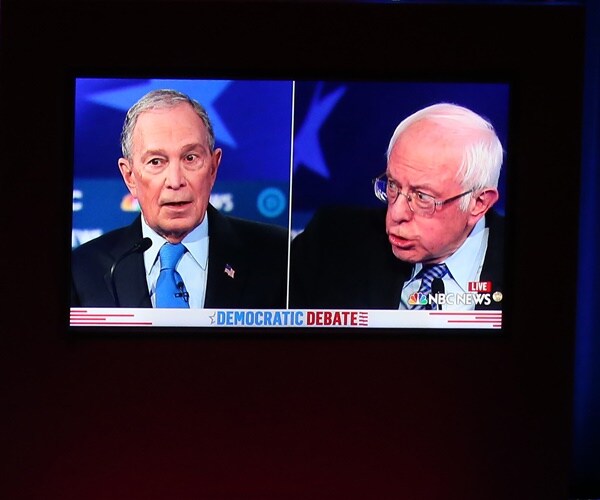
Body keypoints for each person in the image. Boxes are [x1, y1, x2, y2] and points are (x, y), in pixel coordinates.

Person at [71, 89, 289, 308]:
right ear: (130, 177)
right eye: (156, 161)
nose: (175, 181)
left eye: (190, 158)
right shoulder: (84, 270)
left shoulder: (279, 256)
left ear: (213, 168)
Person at [289, 102, 504, 311]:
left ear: (478, 203)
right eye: (393, 185)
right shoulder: (330, 243)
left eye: (422, 197)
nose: (396, 213)